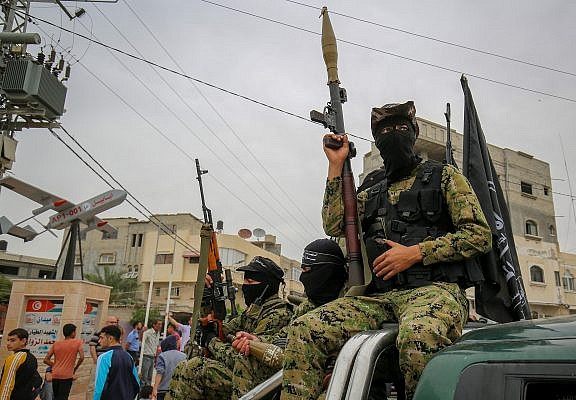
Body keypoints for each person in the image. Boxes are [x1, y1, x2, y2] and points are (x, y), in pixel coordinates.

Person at [280, 101, 492, 400]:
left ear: (414, 133)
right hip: (379, 298)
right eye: (385, 130)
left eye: (401, 128)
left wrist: (416, 252)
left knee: (420, 337)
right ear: (376, 140)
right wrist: (335, 165)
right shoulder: (373, 187)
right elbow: (335, 223)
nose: (394, 134)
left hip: (434, 291)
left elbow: (480, 235)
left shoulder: (444, 177)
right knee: (304, 329)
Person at [230, 239, 348, 399]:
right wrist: (258, 340)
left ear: (327, 272)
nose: (303, 278)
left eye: (307, 271)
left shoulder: (347, 307)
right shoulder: (308, 306)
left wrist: (212, 341)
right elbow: (285, 336)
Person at [168, 256, 293, 400]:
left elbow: (244, 360)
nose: (245, 286)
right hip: (240, 378)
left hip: (258, 384)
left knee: (196, 368)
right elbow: (218, 329)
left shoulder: (278, 314)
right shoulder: (253, 311)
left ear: (267, 286)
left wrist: (211, 341)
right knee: (183, 366)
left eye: (250, 281)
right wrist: (207, 296)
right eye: (245, 280)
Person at [94, 325, 140, 400]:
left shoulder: (104, 357)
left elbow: (100, 388)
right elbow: (136, 383)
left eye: (102, 338)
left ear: (110, 338)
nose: (99, 341)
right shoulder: (128, 357)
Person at [43, 323, 84, 400]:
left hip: (55, 374)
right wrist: (75, 368)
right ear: (73, 333)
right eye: (75, 331)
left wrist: (55, 365)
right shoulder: (77, 342)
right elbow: (81, 357)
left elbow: (45, 360)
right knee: (63, 397)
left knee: (56, 396)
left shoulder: (56, 344)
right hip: (67, 375)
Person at [0, 328, 42, 400]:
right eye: (8, 340)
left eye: (13, 340)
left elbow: (7, 384)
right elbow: (36, 379)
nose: (8, 343)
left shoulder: (14, 358)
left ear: (23, 341)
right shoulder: (32, 358)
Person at [152, 335, 186, 400]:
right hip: (179, 390)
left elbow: (160, 373)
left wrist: (155, 388)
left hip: (164, 390)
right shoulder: (184, 356)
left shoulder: (162, 356)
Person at [140, 319, 162, 386]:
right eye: (159, 324)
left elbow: (156, 345)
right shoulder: (148, 332)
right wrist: (142, 332)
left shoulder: (158, 333)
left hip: (153, 357)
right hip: (146, 356)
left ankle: (147, 392)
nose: (160, 326)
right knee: (144, 377)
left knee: (150, 377)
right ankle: (141, 393)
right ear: (154, 325)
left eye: (161, 324)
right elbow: (141, 339)